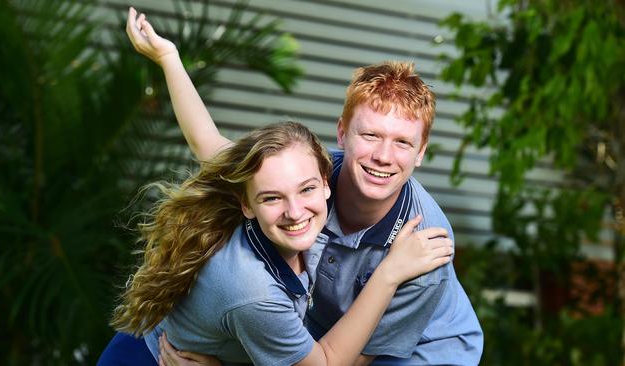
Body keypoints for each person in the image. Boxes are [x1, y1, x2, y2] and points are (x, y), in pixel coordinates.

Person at [122, 6, 483, 365]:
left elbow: (347, 362)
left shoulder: (422, 253)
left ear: (421, 152)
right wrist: (169, 57)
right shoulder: (304, 178)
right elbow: (210, 146)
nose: (383, 156)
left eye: (402, 143)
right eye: (370, 135)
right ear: (341, 134)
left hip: (420, 352)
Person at [99, 121, 453, 366]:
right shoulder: (252, 289)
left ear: (326, 183)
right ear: (246, 205)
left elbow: (206, 141)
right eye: (272, 198)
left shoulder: (301, 222)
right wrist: (389, 273)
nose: (295, 210)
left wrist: (168, 57)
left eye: (307, 188)